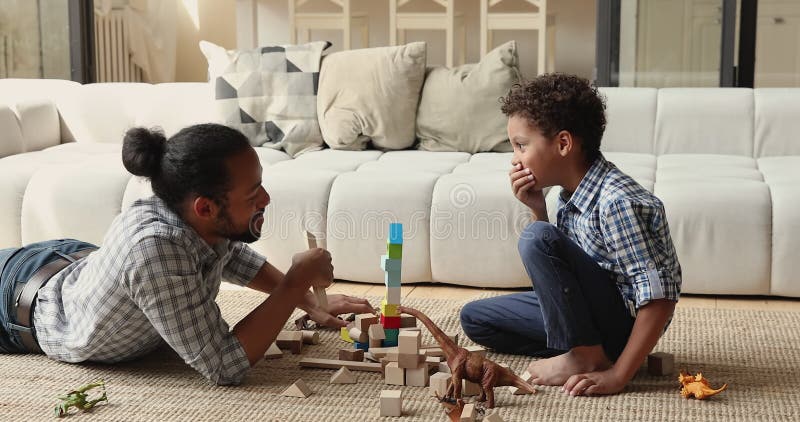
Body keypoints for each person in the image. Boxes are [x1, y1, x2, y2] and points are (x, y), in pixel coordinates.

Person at [0, 123, 373, 384]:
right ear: (205, 208)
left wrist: (311, 302)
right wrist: (294, 284)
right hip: (19, 298)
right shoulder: (156, 253)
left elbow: (236, 259)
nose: (266, 200)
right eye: (252, 194)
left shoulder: (200, 221)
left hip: (68, 262)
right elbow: (226, 366)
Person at [459, 74, 682, 396]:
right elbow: (564, 276)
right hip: (591, 318)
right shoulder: (568, 195)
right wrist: (538, 209)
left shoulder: (618, 202)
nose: (514, 158)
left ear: (563, 144)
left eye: (521, 145)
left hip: (622, 325)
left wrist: (619, 376)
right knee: (476, 320)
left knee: (538, 237)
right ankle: (580, 352)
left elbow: (660, 300)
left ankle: (588, 357)